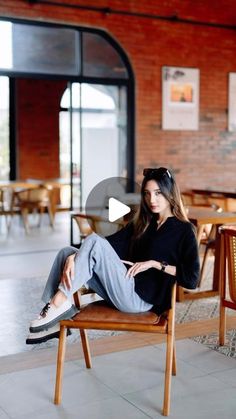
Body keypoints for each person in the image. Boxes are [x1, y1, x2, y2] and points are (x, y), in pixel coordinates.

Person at [26, 167, 200, 344]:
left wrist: (156, 264)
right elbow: (108, 245)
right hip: (123, 286)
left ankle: (57, 304)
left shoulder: (184, 230)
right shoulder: (143, 223)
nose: (152, 200)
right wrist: (74, 256)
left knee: (92, 241)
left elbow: (192, 280)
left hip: (141, 300)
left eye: (158, 193)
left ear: (170, 193)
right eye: (147, 194)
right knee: (66, 252)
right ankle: (53, 314)